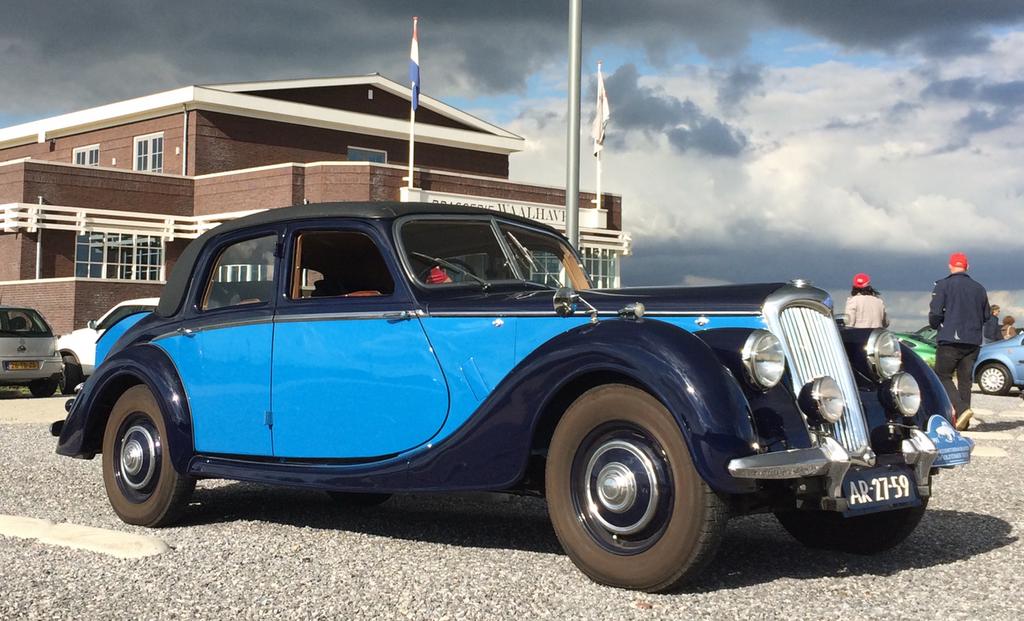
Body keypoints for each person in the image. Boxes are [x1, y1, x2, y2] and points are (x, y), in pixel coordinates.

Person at [929, 252, 990, 431]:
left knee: (942, 375)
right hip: (973, 340)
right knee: (965, 380)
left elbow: (936, 313)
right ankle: (963, 423)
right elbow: (986, 315)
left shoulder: (943, 285)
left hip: (950, 338)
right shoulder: (979, 288)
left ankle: (962, 409)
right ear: (967, 266)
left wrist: (935, 324)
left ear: (950, 266)